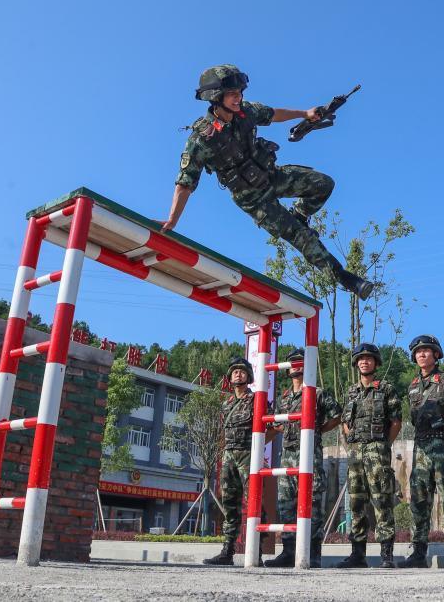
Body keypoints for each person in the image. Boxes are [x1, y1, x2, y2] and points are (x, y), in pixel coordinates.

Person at [160, 64, 374, 300]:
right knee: (302, 237)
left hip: (271, 175)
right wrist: (173, 219)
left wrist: (305, 114)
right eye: (233, 94)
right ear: (215, 97)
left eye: (240, 92)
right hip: (253, 198)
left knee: (323, 184)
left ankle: (300, 214)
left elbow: (274, 114)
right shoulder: (202, 139)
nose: (238, 97)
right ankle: (345, 277)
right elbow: (185, 183)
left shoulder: (246, 111)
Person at [399, 335, 444, 569]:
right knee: (419, 500)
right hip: (420, 448)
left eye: (426, 351)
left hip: (443, 447)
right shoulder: (412, 386)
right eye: (418, 352)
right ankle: (419, 552)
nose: (422, 354)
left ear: (436, 354)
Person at [265, 348, 342, 568]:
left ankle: (313, 553)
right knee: (286, 504)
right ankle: (288, 552)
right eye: (292, 363)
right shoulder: (284, 397)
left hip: (310, 454)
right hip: (288, 454)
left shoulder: (317, 393)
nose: (296, 366)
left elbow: (337, 416)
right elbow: (277, 424)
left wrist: (315, 430)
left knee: (312, 503)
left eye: (300, 362)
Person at [337, 343, 402, 569]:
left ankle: (386, 554)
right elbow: (345, 422)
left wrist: (383, 445)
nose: (365, 361)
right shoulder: (351, 391)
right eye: (361, 359)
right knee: (355, 502)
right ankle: (358, 553)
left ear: (376, 362)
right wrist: (352, 440)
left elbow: (396, 422)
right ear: (356, 364)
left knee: (382, 500)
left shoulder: (386, 389)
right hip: (355, 453)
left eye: (369, 358)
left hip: (377, 450)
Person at [203, 358, 271, 565]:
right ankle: (227, 551)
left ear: (249, 377)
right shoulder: (227, 404)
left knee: (254, 502)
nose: (238, 374)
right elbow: (224, 432)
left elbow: (273, 427)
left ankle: (256, 550)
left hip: (248, 456)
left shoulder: (256, 400)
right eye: (234, 372)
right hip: (229, 456)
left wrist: (257, 446)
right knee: (229, 505)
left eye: (242, 371)